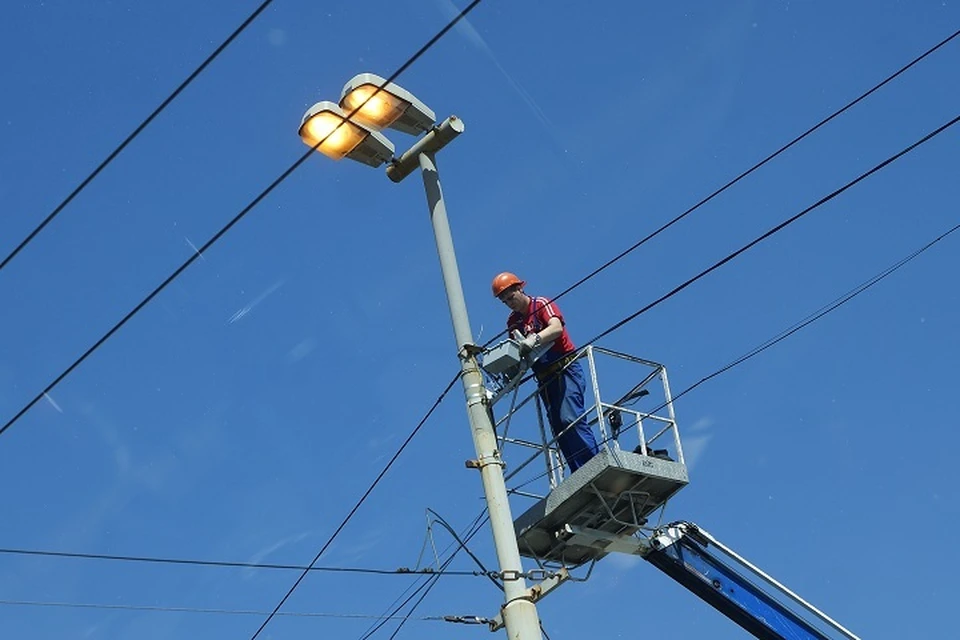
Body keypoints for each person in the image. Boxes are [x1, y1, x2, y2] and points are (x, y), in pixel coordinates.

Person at [491, 272, 600, 472]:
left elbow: (556, 328)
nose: (509, 303)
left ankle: (595, 464)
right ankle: (579, 471)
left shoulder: (540, 303)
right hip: (545, 378)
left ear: (519, 289)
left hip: (565, 368)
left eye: (511, 297)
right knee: (559, 427)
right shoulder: (513, 322)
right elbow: (517, 350)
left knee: (570, 418)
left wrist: (535, 339)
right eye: (505, 301)